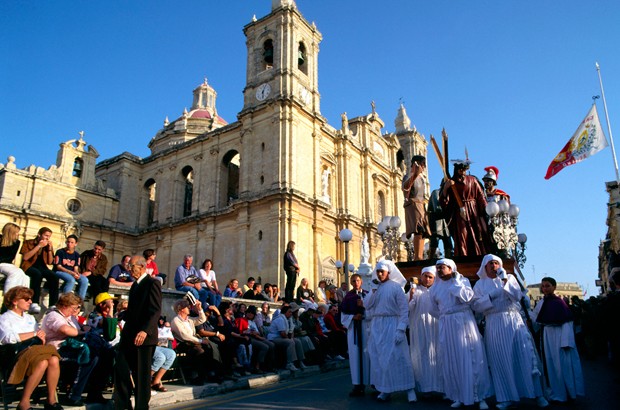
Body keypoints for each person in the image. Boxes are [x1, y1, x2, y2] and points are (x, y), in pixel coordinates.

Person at [472, 255, 548, 409]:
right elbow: (476, 306)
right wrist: (490, 297)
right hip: (494, 323)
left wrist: (505, 280)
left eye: (496, 263)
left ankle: (537, 394)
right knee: (500, 360)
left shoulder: (510, 278)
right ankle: (505, 396)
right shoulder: (480, 284)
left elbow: (517, 296)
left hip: (513, 320)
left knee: (525, 355)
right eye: (490, 264)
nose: (493, 266)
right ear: (484, 267)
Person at [429, 258, 491, 409]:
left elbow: (467, 297)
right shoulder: (435, 288)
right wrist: (447, 316)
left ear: (451, 268)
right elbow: (433, 309)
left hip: (463, 322)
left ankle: (479, 396)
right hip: (446, 324)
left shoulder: (462, 281)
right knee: (452, 359)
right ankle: (458, 395)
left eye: (442, 267)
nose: (439, 270)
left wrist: (456, 283)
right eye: (437, 267)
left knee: (470, 357)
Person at [0, 286, 62, 410]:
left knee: (53, 360)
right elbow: (7, 338)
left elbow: (38, 334)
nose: (30, 302)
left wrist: (41, 336)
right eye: (27, 299)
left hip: (34, 351)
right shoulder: (5, 318)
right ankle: (24, 402)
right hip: (15, 354)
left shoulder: (29, 318)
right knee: (43, 362)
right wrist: (33, 334)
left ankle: (51, 400)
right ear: (15, 301)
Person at [113, 255, 162, 410]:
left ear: (141, 266)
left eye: (131, 265)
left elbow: (154, 310)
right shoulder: (135, 286)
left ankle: (141, 407)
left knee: (141, 376)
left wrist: (145, 331)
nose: (128, 268)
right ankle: (122, 404)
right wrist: (120, 315)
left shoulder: (152, 283)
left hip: (144, 337)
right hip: (129, 336)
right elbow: (135, 311)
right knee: (120, 368)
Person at [365, 261, 417, 403]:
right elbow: (367, 305)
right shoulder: (375, 288)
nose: (380, 274)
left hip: (392, 324)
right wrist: (373, 290)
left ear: (389, 272)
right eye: (378, 271)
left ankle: (409, 389)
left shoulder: (395, 287)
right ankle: (385, 389)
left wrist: (401, 328)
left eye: (382, 271)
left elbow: (404, 309)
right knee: (380, 359)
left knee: (398, 356)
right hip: (377, 326)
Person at [532, 276, 584, 403]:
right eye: (543, 286)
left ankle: (565, 393)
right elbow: (536, 320)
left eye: (547, 285)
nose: (545, 288)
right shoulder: (541, 303)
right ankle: (553, 392)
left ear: (554, 287)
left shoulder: (560, 302)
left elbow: (567, 322)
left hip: (559, 337)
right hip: (546, 336)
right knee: (549, 365)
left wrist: (566, 341)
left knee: (561, 366)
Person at [41, 293, 97, 406]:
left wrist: (83, 328)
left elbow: (82, 326)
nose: (76, 310)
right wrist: (82, 332)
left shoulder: (69, 317)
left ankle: (93, 392)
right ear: (65, 305)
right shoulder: (54, 315)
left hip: (70, 347)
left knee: (100, 354)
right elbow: (66, 330)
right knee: (88, 357)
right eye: (74, 307)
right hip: (57, 349)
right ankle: (74, 395)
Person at [439, 160, 491, 257]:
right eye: (461, 170)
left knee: (476, 233)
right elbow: (443, 202)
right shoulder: (450, 182)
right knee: (462, 235)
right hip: (459, 213)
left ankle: (478, 255)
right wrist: (446, 188)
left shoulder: (472, 180)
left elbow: (480, 196)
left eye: (464, 170)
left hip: (473, 211)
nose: (463, 172)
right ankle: (463, 256)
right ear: (457, 170)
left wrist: (485, 210)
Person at [408, 266, 442, 396]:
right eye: (425, 276)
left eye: (430, 277)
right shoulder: (416, 291)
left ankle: (441, 387)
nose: (427, 279)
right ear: (421, 277)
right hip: (419, 329)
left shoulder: (438, 290)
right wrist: (411, 293)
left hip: (436, 328)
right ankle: (425, 387)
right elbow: (409, 307)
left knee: (438, 355)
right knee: (421, 356)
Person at [171, 299, 221, 384]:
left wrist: (200, 309)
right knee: (199, 351)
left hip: (194, 342)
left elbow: (202, 320)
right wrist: (200, 341)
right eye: (187, 307)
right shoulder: (176, 321)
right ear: (181, 309)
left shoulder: (189, 319)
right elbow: (184, 336)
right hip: (184, 343)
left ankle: (212, 373)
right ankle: (199, 376)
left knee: (210, 347)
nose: (189, 308)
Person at [340, 273, 370, 396]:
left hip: (366, 328)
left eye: (358, 280)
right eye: (353, 281)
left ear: (361, 281)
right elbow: (343, 315)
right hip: (354, 330)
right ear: (351, 283)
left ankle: (373, 382)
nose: (356, 283)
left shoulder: (368, 295)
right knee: (355, 356)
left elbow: (374, 311)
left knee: (368, 355)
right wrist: (353, 317)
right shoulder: (348, 297)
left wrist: (364, 313)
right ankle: (358, 384)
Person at [20, 226, 59, 311]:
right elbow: (25, 257)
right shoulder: (28, 242)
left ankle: (53, 304)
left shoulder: (47, 246)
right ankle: (34, 302)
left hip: (42, 266)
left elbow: (50, 262)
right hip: (29, 265)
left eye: (49, 236)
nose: (47, 238)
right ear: (39, 235)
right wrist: (38, 246)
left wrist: (49, 250)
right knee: (37, 274)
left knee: (54, 276)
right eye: (46, 235)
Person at [402, 155, 431, 260]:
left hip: (421, 205)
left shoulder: (421, 179)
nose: (423, 169)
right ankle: (417, 256)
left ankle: (420, 255)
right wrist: (415, 174)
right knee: (418, 229)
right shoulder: (408, 176)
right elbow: (405, 187)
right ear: (416, 164)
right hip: (413, 205)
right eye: (422, 165)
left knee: (423, 232)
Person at [267, 305, 306, 371]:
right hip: (274, 338)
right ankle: (289, 363)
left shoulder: (288, 320)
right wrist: (289, 339)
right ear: (285, 313)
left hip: (281, 338)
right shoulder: (280, 319)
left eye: (291, 312)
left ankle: (300, 361)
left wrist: (291, 337)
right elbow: (282, 333)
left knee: (297, 341)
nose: (291, 314)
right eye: (289, 312)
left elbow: (291, 331)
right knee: (290, 342)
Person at [53, 235, 88, 300]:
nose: (69, 244)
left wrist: (77, 273)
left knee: (84, 280)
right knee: (71, 280)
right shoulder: (60, 252)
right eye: (68, 242)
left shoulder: (77, 255)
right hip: (60, 272)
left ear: (76, 244)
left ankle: (80, 302)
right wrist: (71, 273)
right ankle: (66, 300)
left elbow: (76, 268)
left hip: (71, 272)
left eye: (72, 242)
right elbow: (59, 267)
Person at [0, 222, 30, 294]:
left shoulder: (16, 242)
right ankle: (8, 294)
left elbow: (11, 257)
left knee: (25, 277)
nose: (18, 234)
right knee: (15, 272)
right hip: (1, 264)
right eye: (16, 232)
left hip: (8, 264)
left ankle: (21, 296)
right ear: (11, 232)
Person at [151, 317, 176, 393]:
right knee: (160, 357)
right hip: (147, 345)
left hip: (157, 345)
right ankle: (144, 381)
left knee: (171, 354)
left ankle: (156, 381)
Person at [428, 189, 453, 258]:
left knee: (448, 242)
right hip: (436, 222)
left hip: (444, 221)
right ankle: (430, 259)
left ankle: (448, 260)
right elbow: (437, 208)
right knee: (434, 241)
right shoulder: (436, 192)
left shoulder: (449, 194)